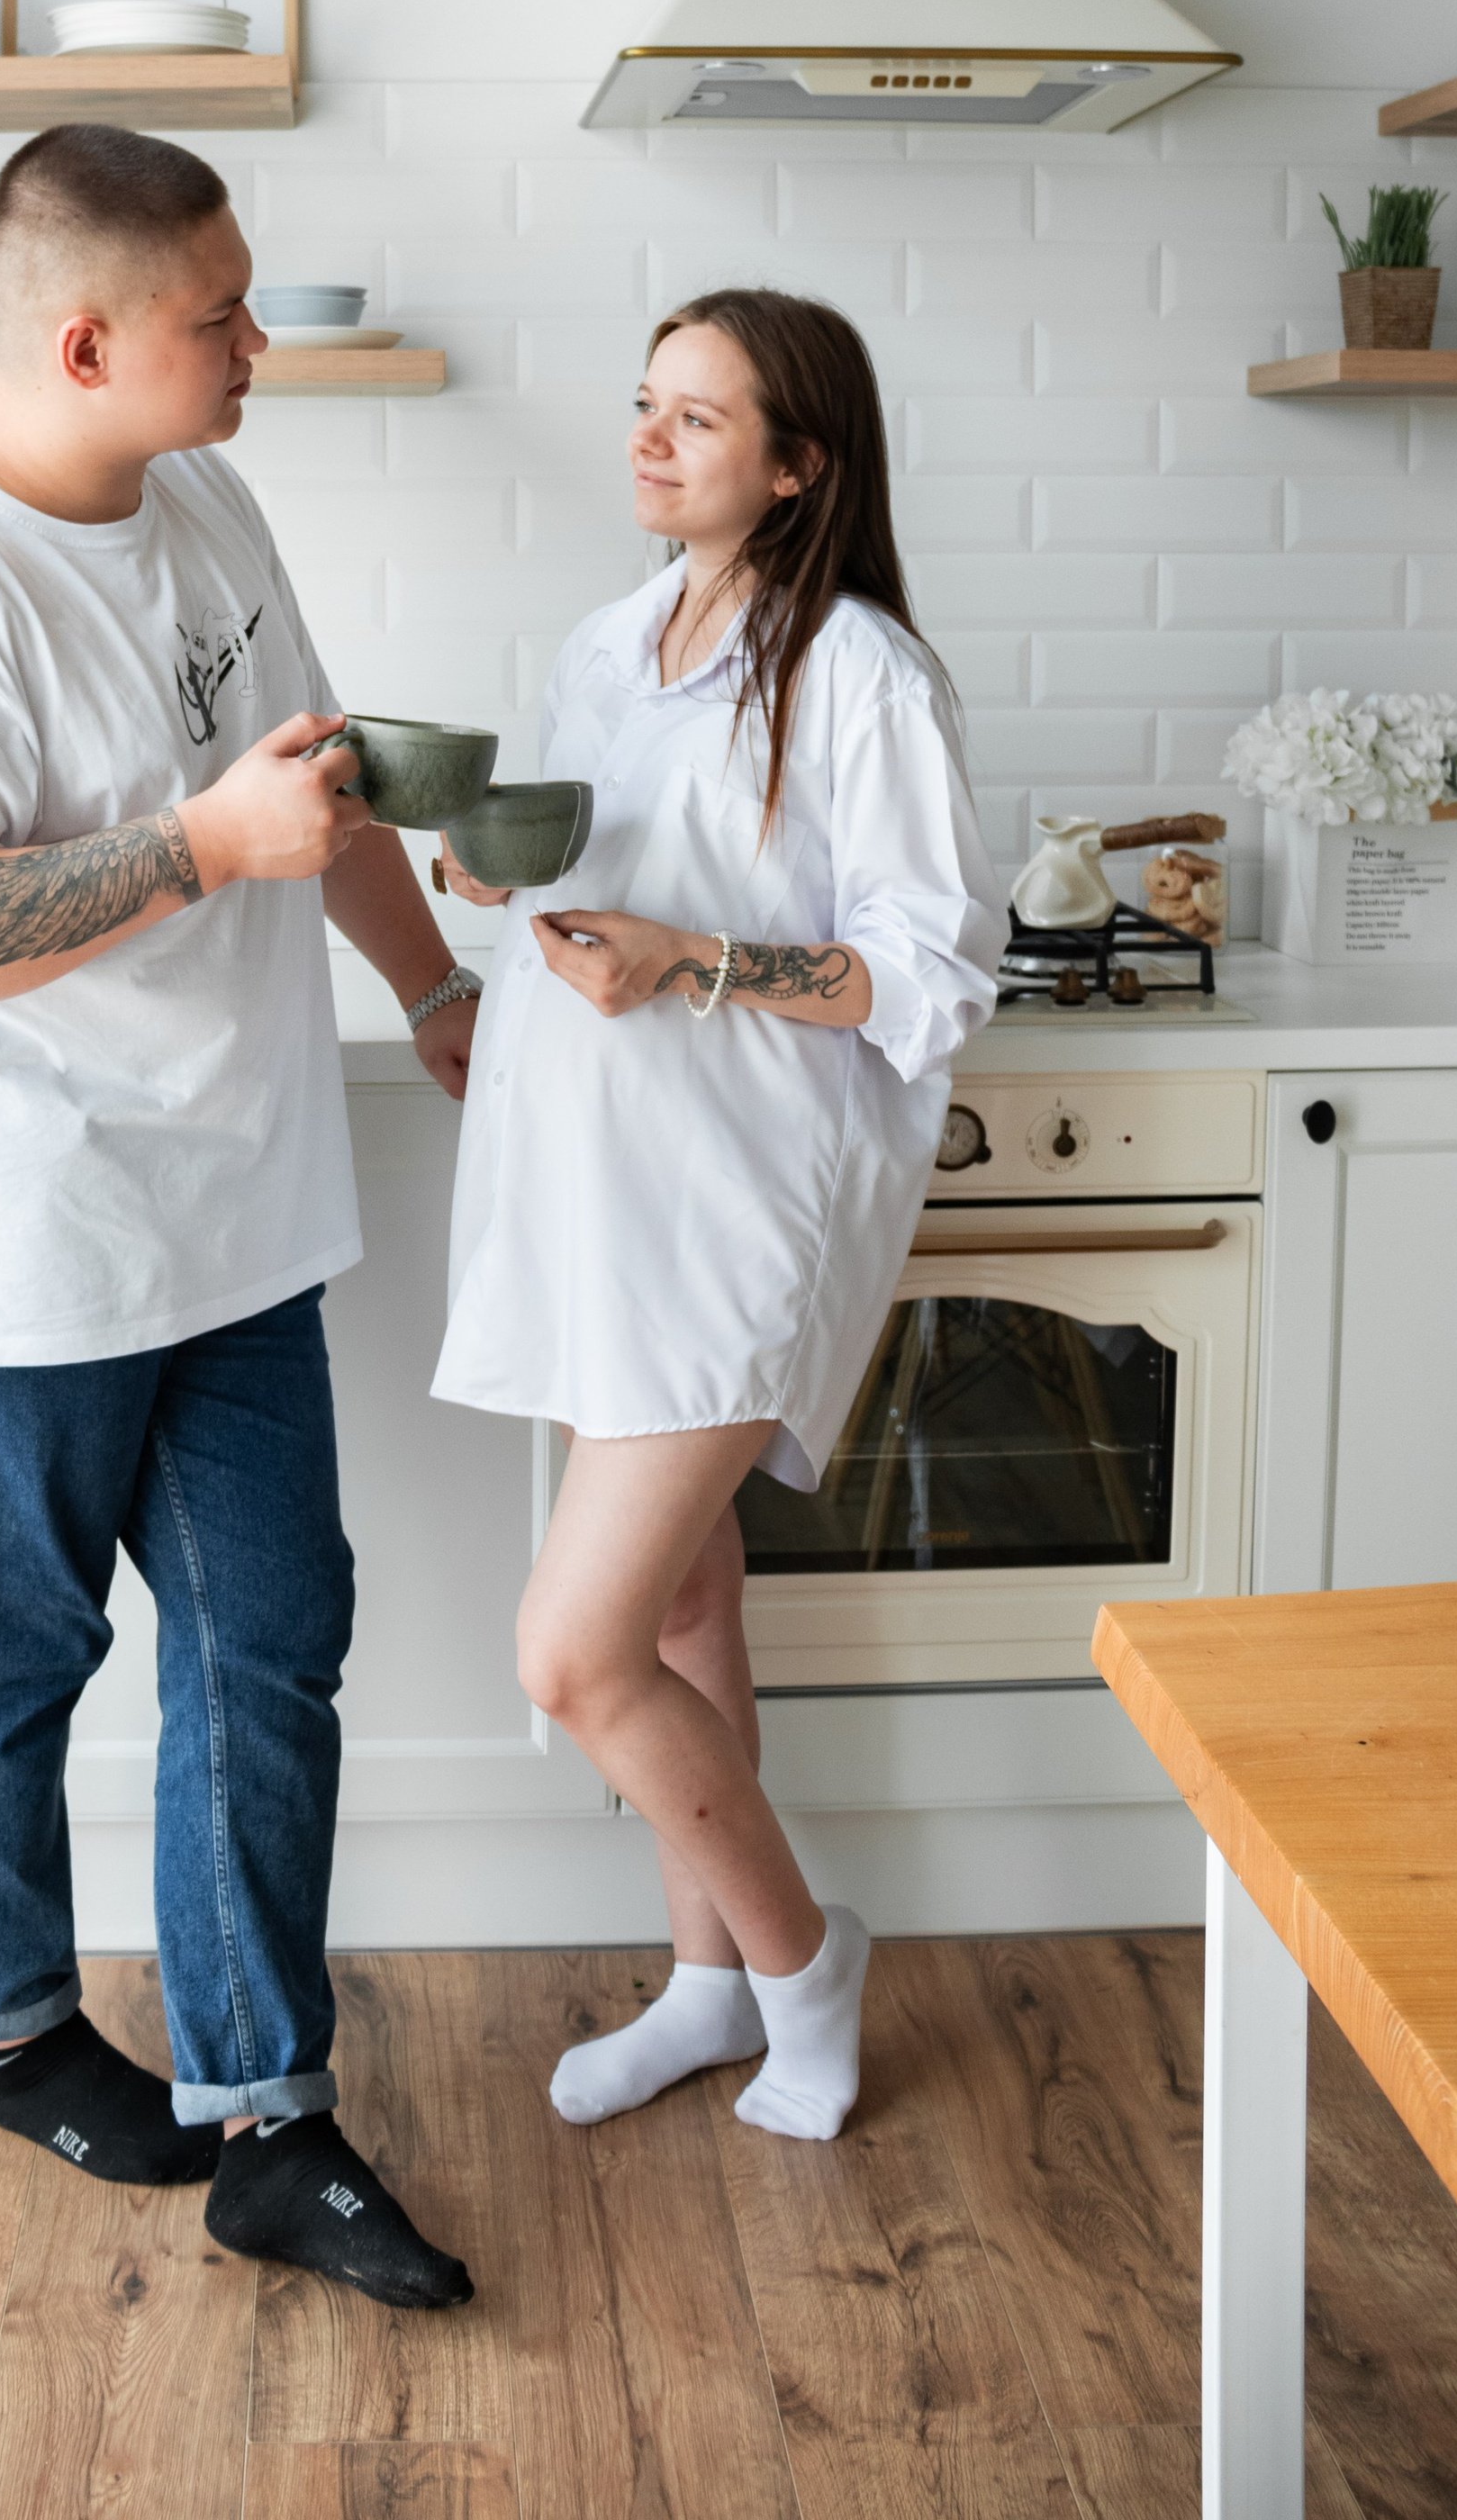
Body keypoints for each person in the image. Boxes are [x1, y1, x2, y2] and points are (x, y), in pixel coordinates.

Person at [0, 123, 483, 2309]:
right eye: (217, 318)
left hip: (237, 1211)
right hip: (12, 1239)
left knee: (274, 1650)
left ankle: (272, 2115)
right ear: (84, 340)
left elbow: (312, 783)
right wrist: (199, 847)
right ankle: (11, 2030)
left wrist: (434, 984)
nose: (254, 342)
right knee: (3, 1672)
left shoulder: (209, 498)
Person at [432, 287, 1003, 2142]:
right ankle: (703, 1989)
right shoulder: (610, 642)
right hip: (593, 1183)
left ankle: (797, 1953)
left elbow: (927, 978)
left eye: (696, 417)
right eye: (643, 406)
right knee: (676, 1598)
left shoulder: (858, 675)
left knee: (568, 1654)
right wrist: (470, 861)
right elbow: (587, 867)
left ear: (795, 465)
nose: (648, 441)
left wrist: (693, 963)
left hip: (735, 1205)